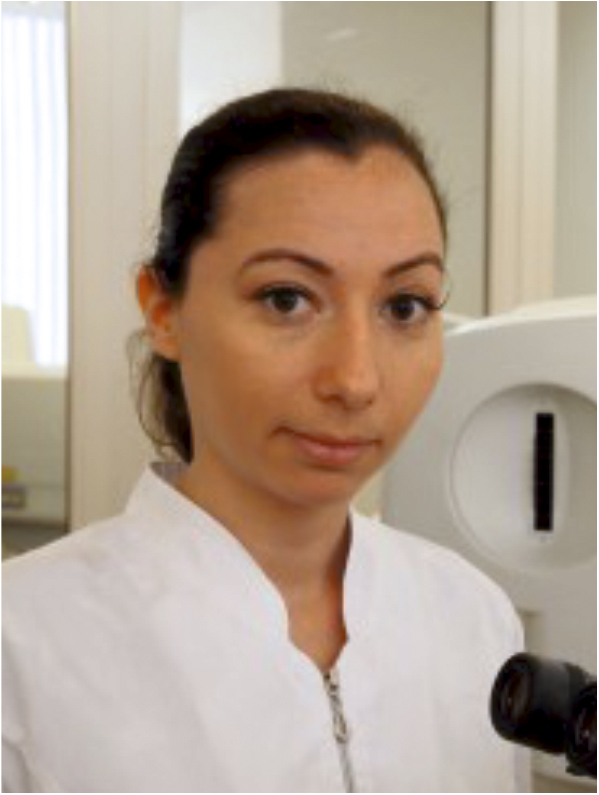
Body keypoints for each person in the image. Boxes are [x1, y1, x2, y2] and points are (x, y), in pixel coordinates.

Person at [2, 88, 528, 793]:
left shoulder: (473, 618)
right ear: (163, 311)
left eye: (404, 306)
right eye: (286, 298)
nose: (355, 380)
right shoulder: (24, 646)